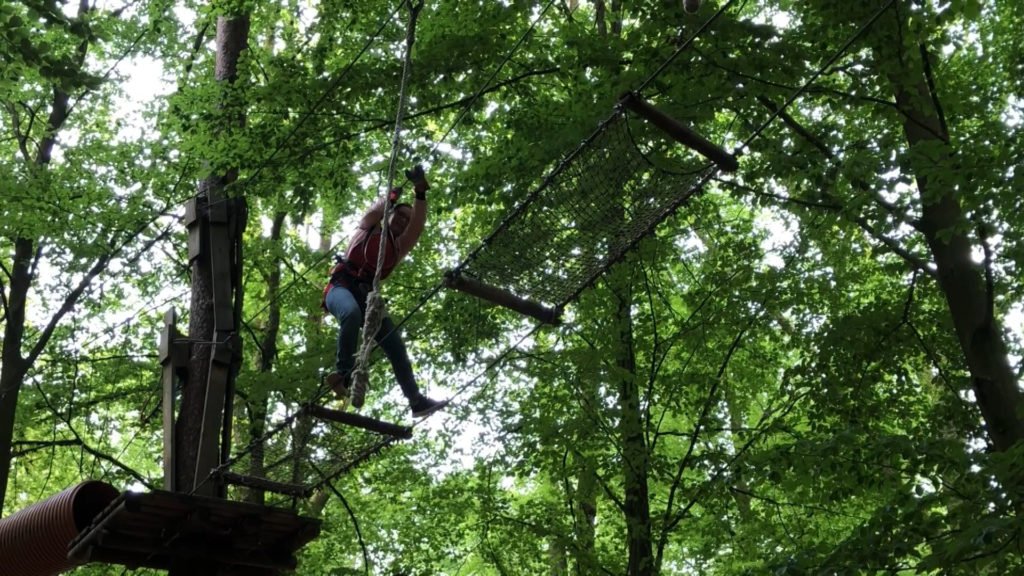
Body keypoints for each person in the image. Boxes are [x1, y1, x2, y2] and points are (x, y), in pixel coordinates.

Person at [321, 165, 446, 418]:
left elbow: (417, 226)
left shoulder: (398, 246)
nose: (402, 222)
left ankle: (416, 401)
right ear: (389, 216)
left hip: (368, 297)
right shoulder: (368, 228)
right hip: (341, 286)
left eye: (406, 221)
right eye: (399, 216)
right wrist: (393, 196)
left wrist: (420, 193)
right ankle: (343, 374)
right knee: (351, 314)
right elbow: (376, 210)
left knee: (396, 347)